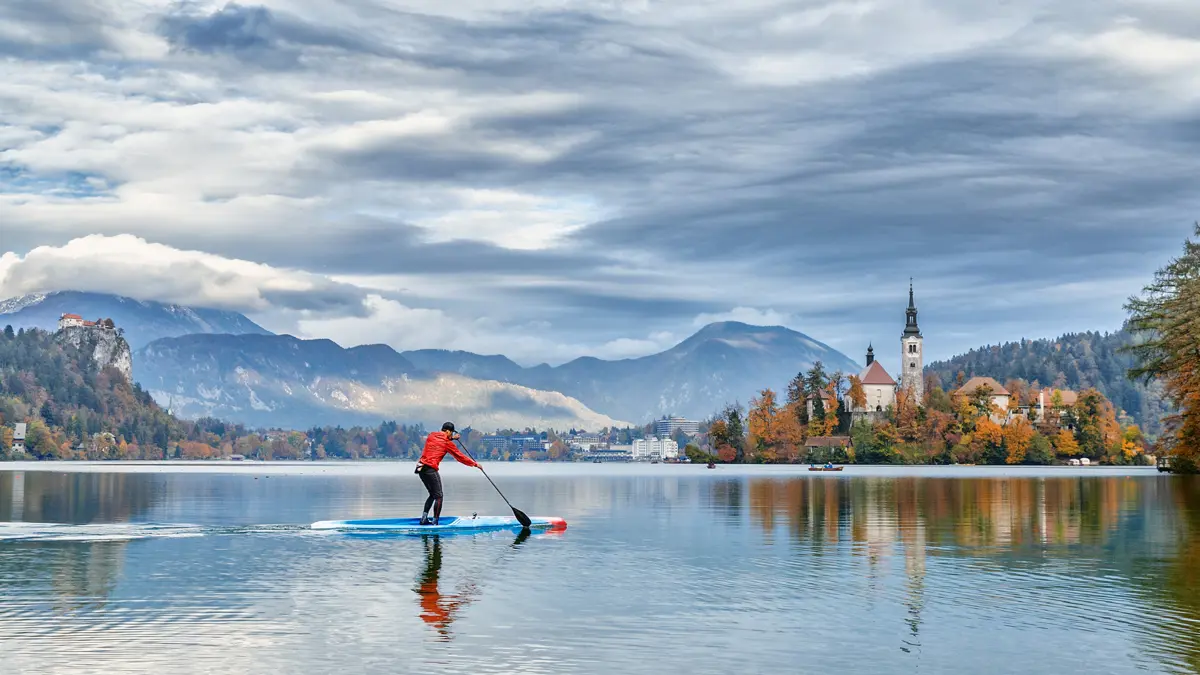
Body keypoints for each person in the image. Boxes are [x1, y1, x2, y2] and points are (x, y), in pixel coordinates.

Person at [416, 422, 481, 525]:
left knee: (433, 494)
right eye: (451, 433)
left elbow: (441, 439)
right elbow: (460, 457)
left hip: (420, 468)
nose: (451, 435)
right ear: (447, 431)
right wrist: (474, 464)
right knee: (439, 496)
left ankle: (424, 518)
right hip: (430, 468)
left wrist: (452, 438)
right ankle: (435, 522)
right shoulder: (447, 443)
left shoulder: (431, 435)